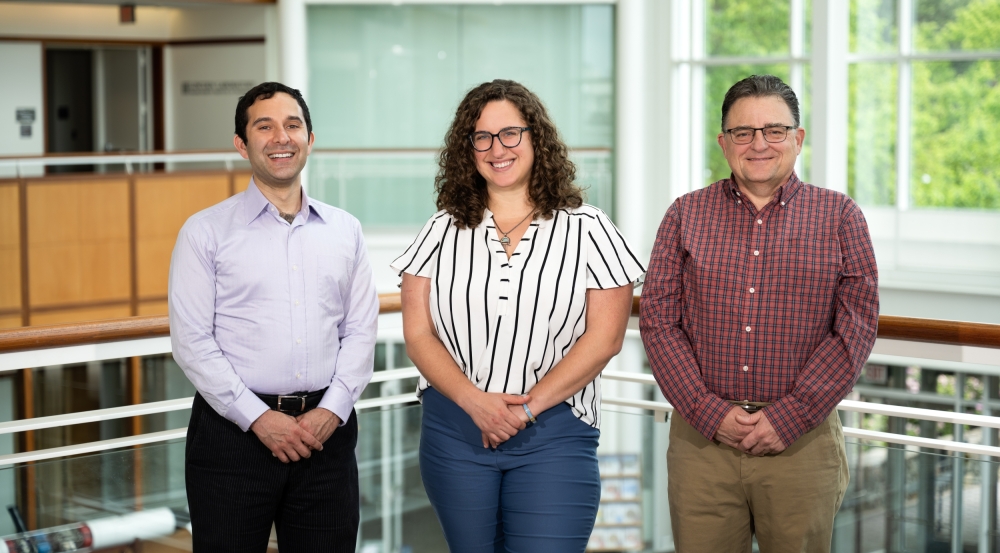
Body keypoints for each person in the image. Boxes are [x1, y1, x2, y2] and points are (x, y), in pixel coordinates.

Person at [391, 79, 644, 553]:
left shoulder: (589, 227)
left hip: (555, 430)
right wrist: (474, 402)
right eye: (481, 137)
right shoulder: (441, 227)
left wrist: (526, 409)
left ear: (535, 138)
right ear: (467, 149)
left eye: (511, 133)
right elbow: (418, 333)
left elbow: (605, 338)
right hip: (455, 429)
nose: (496, 148)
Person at [639, 74, 879, 552]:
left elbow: (856, 326)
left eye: (774, 130)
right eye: (743, 133)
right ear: (723, 142)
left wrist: (790, 416)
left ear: (798, 138)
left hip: (802, 444)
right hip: (702, 445)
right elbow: (659, 322)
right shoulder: (684, 215)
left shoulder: (841, 217)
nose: (759, 144)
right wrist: (710, 413)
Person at [168, 82, 379, 553]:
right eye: (264, 126)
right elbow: (193, 341)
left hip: (327, 434)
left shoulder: (345, 230)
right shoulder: (205, 232)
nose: (281, 137)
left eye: (292, 125)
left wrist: (334, 409)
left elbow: (362, 329)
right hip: (232, 438)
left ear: (310, 138)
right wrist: (259, 419)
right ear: (242, 144)